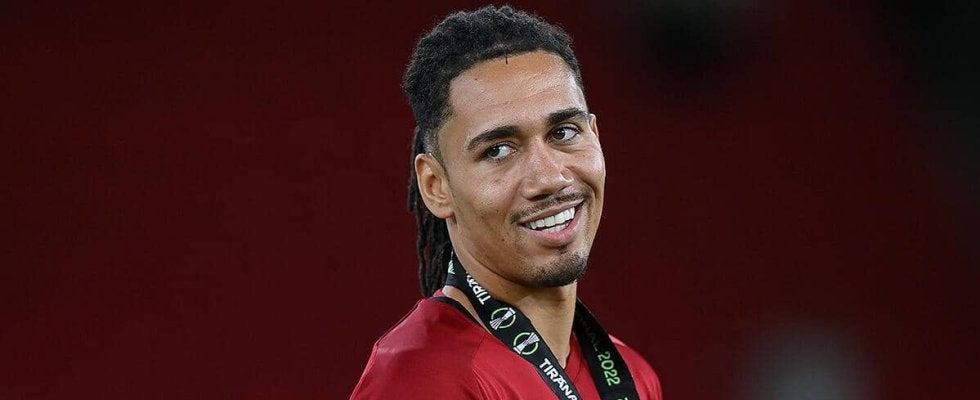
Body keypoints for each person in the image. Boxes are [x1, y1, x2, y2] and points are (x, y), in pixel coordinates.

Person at [349, 5, 662, 399]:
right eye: (498, 150)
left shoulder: (630, 378)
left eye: (564, 132)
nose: (549, 178)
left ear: (595, 136)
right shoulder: (425, 379)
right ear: (436, 186)